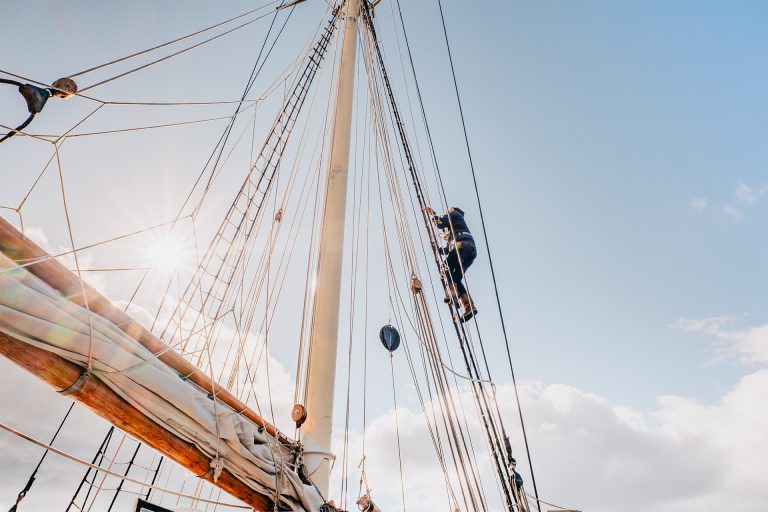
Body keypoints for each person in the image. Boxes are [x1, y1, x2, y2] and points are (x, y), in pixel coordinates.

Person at [423, 206, 478, 321]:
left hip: (462, 245)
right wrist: (437, 249)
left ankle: (452, 293)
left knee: (445, 267)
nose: (447, 212)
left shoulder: (454, 214)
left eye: (448, 211)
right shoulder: (455, 231)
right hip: (468, 250)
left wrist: (433, 214)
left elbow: (439, 223)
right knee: (456, 278)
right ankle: (468, 306)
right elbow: (448, 250)